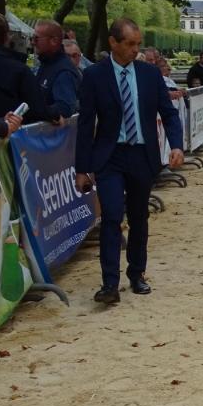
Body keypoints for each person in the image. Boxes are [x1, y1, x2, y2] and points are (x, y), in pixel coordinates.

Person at [74, 17, 184, 305]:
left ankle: (137, 273)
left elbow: (168, 113)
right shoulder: (95, 76)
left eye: (138, 44)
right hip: (110, 156)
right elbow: (86, 124)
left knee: (138, 217)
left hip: (141, 154)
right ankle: (109, 282)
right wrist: (82, 168)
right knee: (111, 215)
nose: (136, 50)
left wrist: (177, 145)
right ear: (113, 42)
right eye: (130, 44)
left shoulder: (149, 74)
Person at [32, 19, 81, 118]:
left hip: (52, 133)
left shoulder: (63, 71)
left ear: (54, 41)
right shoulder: (47, 63)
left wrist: (38, 112)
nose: (33, 42)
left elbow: (65, 108)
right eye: (31, 38)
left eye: (36, 38)